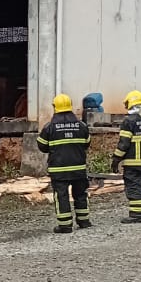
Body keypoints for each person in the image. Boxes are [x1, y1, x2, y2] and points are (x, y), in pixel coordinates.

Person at [37, 94, 91, 234]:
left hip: (59, 170)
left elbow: (42, 146)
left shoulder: (50, 127)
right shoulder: (81, 126)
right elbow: (87, 144)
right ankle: (84, 221)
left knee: (61, 196)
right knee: (80, 194)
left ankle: (65, 225)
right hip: (79, 168)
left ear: (55, 107)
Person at [112, 89, 141, 223]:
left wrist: (116, 160)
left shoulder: (129, 122)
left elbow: (124, 143)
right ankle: (138, 213)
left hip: (132, 162)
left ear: (129, 104)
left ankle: (137, 215)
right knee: (138, 185)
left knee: (133, 187)